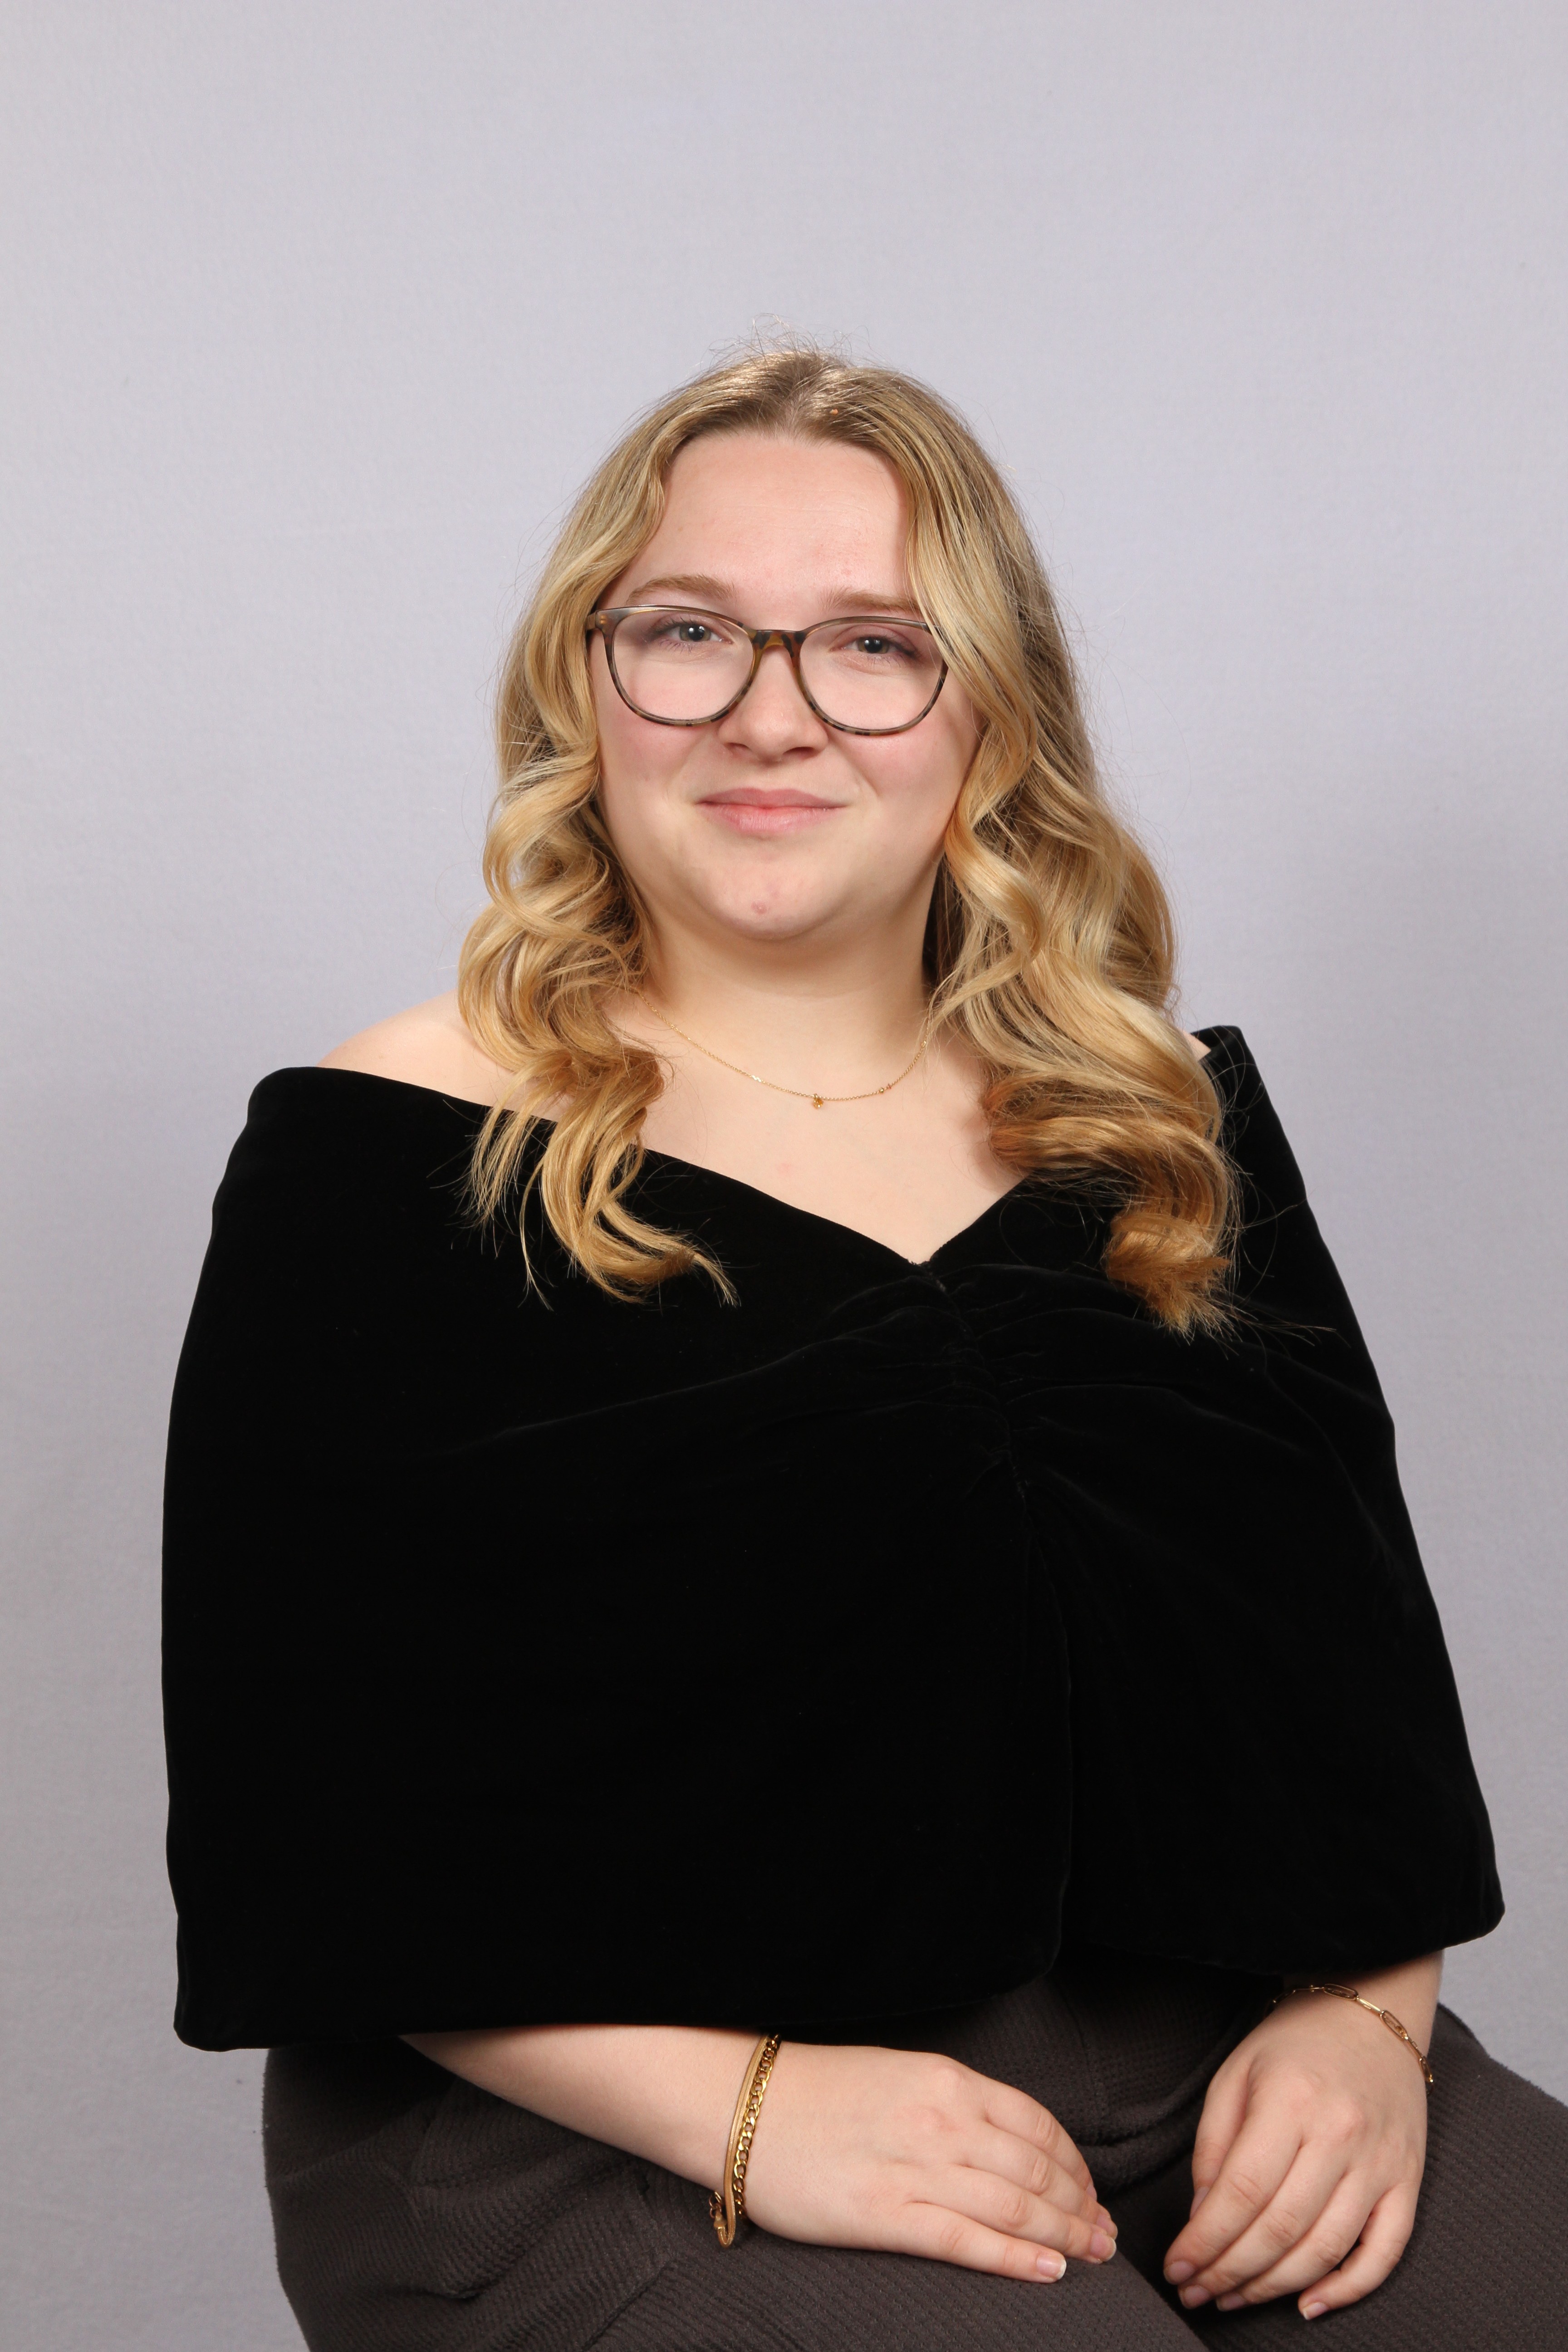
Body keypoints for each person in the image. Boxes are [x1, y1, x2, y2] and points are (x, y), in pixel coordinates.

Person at [162, 346, 1567, 2351]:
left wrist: (1364, 2014)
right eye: (689, 633)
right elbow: (306, 1812)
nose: (772, 713)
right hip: (609, 2112)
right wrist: (758, 2114)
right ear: (585, 681)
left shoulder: (1148, 1118)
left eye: (874, 647)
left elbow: (1352, 1698)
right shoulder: (398, 1143)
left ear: (989, 713)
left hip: (1208, 2064)